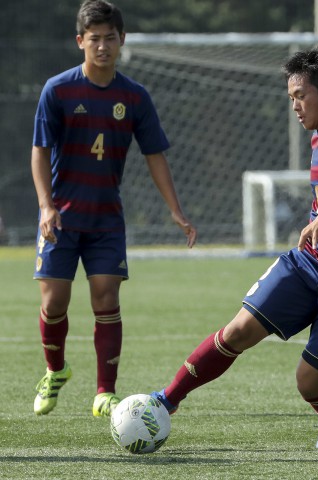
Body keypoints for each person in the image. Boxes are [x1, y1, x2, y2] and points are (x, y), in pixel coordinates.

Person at [151, 47, 318, 449]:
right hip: (308, 265)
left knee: (309, 381)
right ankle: (166, 401)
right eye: (291, 98)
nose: (295, 106)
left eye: (301, 95)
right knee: (237, 331)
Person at [31, 0, 197, 418]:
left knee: (106, 299)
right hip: (62, 219)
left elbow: (155, 154)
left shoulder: (134, 97)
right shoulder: (58, 90)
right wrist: (45, 206)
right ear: (80, 42)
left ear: (121, 40)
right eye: (94, 39)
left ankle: (105, 391)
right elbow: (39, 150)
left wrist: (175, 210)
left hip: (106, 219)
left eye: (110, 38)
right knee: (54, 304)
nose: (102, 46)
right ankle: (55, 369)